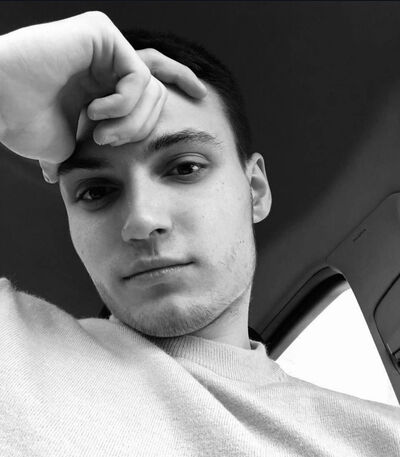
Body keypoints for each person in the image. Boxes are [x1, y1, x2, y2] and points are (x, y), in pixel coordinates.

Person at [0, 11, 399, 457]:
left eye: (185, 168)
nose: (142, 220)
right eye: (95, 192)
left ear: (254, 189)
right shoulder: (12, 348)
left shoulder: (381, 438)